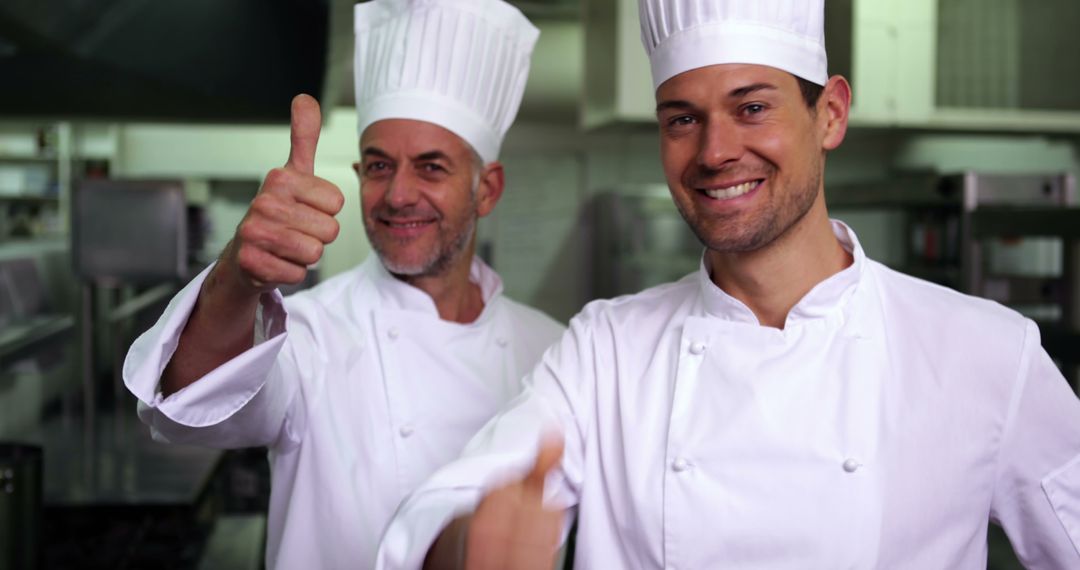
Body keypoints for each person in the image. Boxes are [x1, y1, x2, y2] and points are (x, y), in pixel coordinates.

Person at [375, 0, 1080, 568]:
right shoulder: (608, 351)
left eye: (752, 108)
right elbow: (446, 507)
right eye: (683, 119)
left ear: (829, 114)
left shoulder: (985, 352)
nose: (714, 152)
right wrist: (469, 545)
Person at [123, 0, 563, 567]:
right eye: (378, 166)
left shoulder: (554, 352)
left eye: (431, 167)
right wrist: (238, 277)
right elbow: (184, 407)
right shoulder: (310, 332)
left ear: (487, 189)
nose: (398, 194)